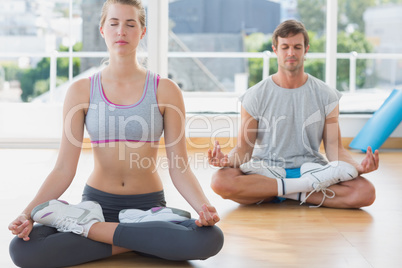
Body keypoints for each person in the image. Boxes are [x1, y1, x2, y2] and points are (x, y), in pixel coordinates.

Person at [8, 1, 223, 267]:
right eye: (114, 23)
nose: (121, 30)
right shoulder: (81, 91)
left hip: (148, 208)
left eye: (130, 24)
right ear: (102, 30)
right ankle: (143, 240)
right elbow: (63, 168)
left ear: (142, 32)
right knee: (23, 249)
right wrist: (27, 214)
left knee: (210, 238)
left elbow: (179, 166)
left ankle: (91, 230)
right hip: (97, 206)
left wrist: (204, 207)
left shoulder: (165, 90)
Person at [208, 19, 379, 208]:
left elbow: (334, 148)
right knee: (220, 181)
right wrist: (228, 160)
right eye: (285, 47)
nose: (291, 53)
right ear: (275, 50)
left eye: (297, 47)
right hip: (266, 171)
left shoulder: (326, 95)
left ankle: (278, 192)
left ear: (306, 49)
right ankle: (301, 190)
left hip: (311, 170)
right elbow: (244, 149)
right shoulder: (254, 95)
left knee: (365, 193)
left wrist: (358, 167)